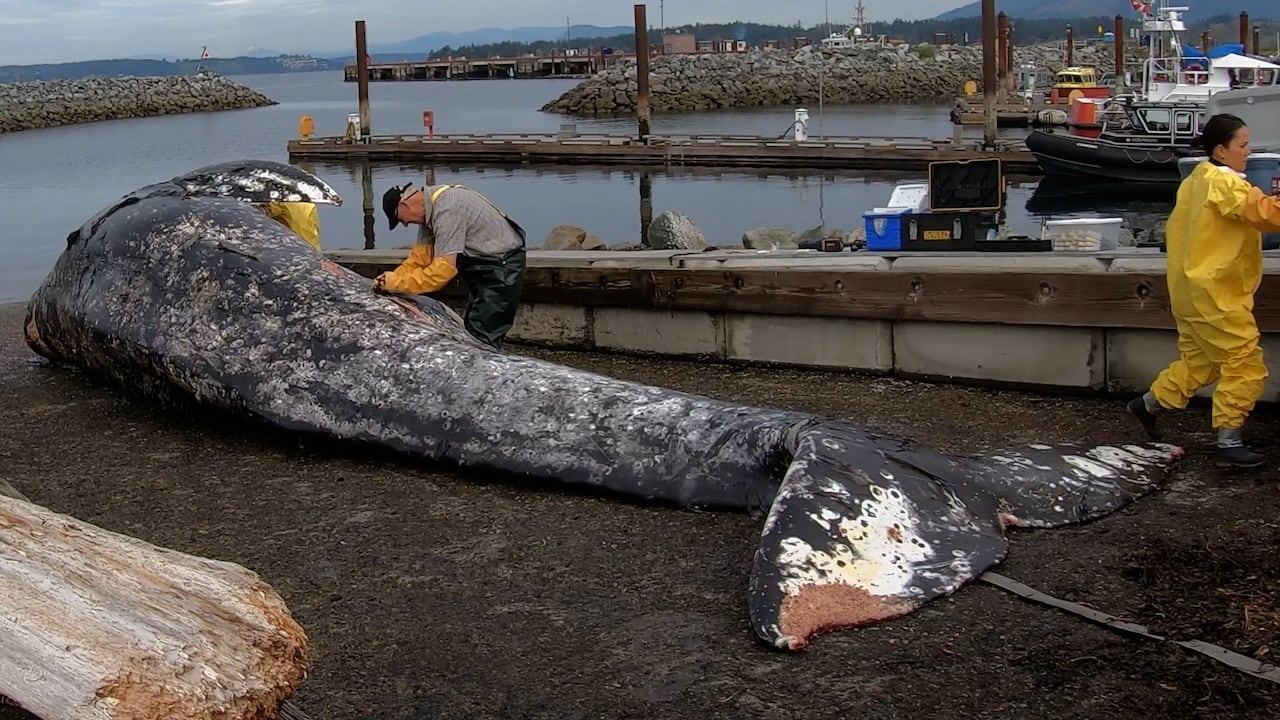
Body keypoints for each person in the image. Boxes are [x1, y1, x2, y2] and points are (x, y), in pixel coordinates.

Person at [1127, 113, 1280, 468]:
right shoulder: (1225, 184)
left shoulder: (1196, 179)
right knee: (1244, 363)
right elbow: (1263, 214)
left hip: (1188, 288)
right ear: (1221, 151)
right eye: (1242, 145)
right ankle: (1229, 442)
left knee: (1201, 362)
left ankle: (1148, 405)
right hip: (1217, 292)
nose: (1248, 151)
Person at [375, 180, 527, 350]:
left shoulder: (448, 210)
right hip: (482, 263)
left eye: (400, 219)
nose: (404, 224)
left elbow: (442, 272)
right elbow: (419, 259)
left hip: (502, 267)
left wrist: (397, 284)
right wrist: (388, 280)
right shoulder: (429, 209)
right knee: (472, 330)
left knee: (483, 339)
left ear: (405, 205)